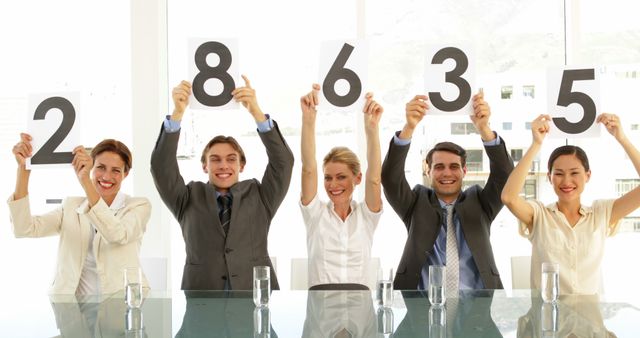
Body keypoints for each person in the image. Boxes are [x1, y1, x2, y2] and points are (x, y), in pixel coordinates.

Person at [151, 76, 294, 290]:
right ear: (204, 166)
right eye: (215, 159)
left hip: (253, 298)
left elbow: (283, 163)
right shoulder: (187, 197)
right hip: (202, 299)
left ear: (241, 166)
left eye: (231, 159)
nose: (223, 165)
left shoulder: (260, 195)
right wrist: (177, 114)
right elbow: (162, 168)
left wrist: (256, 112)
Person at [381, 91, 514, 291]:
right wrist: (409, 128)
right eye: (439, 167)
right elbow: (391, 179)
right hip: (422, 306)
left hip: (477, 307)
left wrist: (484, 130)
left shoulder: (480, 202)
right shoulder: (416, 202)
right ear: (428, 170)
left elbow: (505, 176)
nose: (446, 173)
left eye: (454, 167)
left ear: (464, 171)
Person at [501, 113, 640, 295]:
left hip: (589, 320)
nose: (566, 181)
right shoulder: (540, 215)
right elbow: (509, 198)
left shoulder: (601, 213)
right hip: (547, 318)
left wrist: (621, 138)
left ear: (587, 175)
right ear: (550, 178)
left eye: (574, 173)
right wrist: (536, 144)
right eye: (558, 174)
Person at [9, 137, 150, 295]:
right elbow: (24, 228)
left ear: (126, 174)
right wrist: (23, 169)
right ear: (92, 167)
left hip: (121, 305)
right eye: (101, 167)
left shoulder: (138, 206)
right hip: (73, 310)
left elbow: (116, 235)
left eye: (116, 170)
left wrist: (85, 181)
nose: (106, 176)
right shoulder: (71, 207)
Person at [299, 84, 383, 290]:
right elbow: (308, 168)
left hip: (360, 310)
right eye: (328, 178)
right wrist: (308, 119)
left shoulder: (366, 215)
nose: (333, 185)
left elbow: (375, 178)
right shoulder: (315, 214)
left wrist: (371, 129)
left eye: (341, 177)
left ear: (357, 178)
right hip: (322, 309)